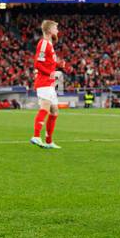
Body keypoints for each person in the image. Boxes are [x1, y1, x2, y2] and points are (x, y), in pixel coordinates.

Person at [30, 20, 67, 150]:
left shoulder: (49, 44)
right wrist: (51, 73)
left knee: (54, 111)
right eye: (56, 28)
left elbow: (47, 62)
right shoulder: (44, 43)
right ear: (50, 30)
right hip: (44, 82)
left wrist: (58, 64)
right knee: (45, 108)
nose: (57, 31)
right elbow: (37, 64)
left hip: (49, 83)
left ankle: (49, 141)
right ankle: (36, 136)